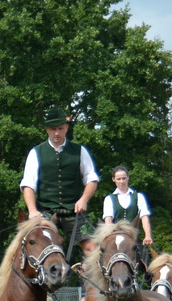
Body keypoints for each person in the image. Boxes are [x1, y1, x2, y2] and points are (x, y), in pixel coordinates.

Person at [20, 105, 98, 250]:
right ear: (47, 129)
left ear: (66, 128)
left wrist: (84, 199)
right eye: (53, 129)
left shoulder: (80, 151)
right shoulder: (36, 152)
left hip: (74, 213)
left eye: (60, 128)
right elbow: (28, 185)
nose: (56, 133)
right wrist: (32, 210)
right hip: (45, 213)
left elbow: (91, 179)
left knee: (93, 247)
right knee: (36, 244)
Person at [98, 167, 153, 261]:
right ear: (113, 179)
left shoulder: (138, 196)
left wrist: (147, 235)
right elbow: (108, 221)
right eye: (118, 179)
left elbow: (144, 217)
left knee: (146, 263)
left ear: (128, 177)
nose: (121, 181)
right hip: (115, 239)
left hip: (133, 238)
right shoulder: (109, 199)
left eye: (124, 178)